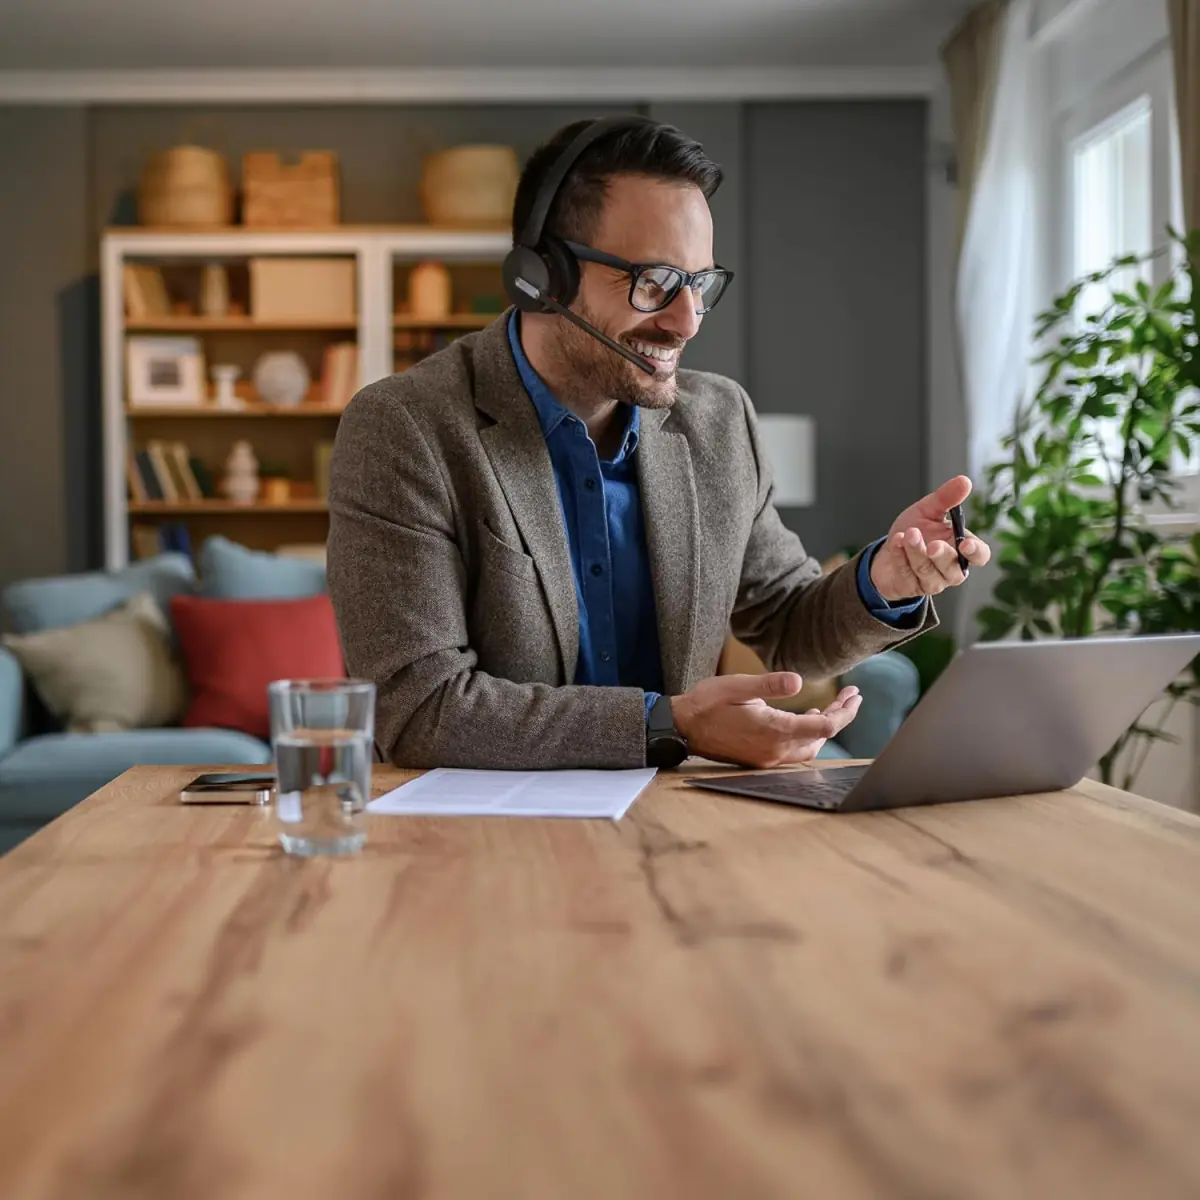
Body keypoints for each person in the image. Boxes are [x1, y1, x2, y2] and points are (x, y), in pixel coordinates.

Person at [326, 115, 990, 771]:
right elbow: (418, 710)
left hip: (679, 830)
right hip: (491, 842)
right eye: (655, 283)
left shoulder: (720, 420)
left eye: (699, 284)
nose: (687, 322)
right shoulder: (405, 429)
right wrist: (669, 725)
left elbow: (789, 625)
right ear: (542, 277)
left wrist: (885, 579)